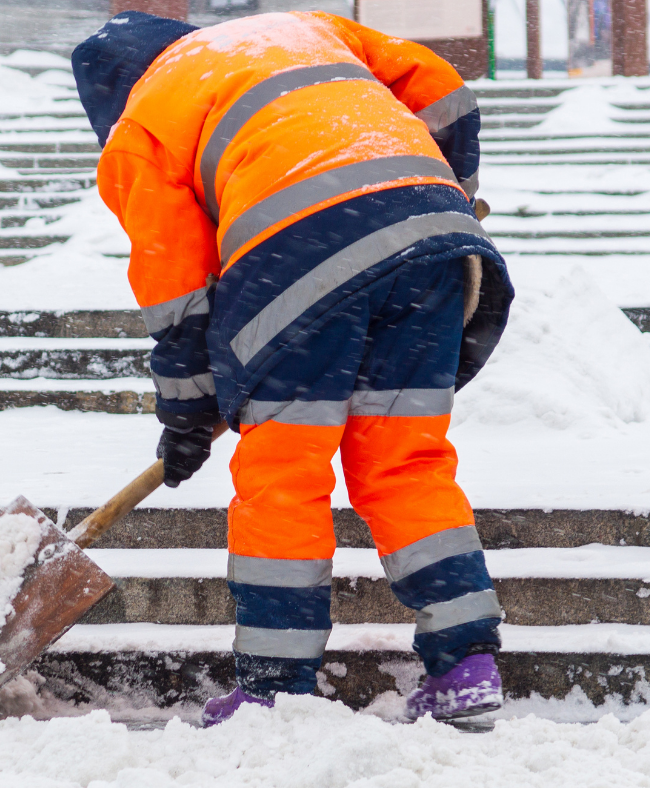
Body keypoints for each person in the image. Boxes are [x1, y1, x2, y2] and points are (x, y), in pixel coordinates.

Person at [72, 9, 514, 725]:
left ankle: (277, 688)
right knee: (407, 462)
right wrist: (449, 187)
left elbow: (177, 291)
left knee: (286, 474)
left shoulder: (140, 129)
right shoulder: (301, 28)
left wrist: (187, 412)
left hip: (297, 259)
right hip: (436, 245)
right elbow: (444, 92)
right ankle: (466, 662)